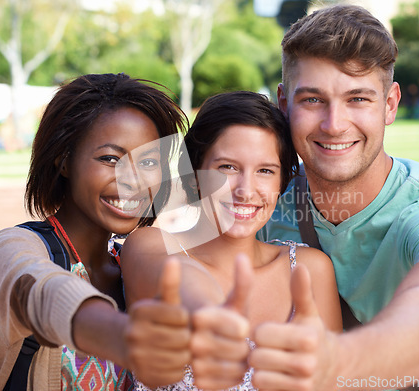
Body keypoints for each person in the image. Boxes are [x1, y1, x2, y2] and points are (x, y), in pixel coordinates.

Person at [255, 4, 419, 391]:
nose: (334, 124)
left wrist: (336, 365)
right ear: (284, 104)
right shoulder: (260, 199)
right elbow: (176, 240)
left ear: (389, 104)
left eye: (357, 99)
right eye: (312, 100)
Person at [0, 73, 192, 390]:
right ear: (64, 161)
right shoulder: (15, 246)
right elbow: (41, 291)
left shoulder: (132, 263)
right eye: (110, 158)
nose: (133, 180)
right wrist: (119, 334)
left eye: (148, 162)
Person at [120, 91, 343, 390]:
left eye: (265, 171)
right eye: (228, 167)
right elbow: (178, 280)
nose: (246, 191)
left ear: (281, 183)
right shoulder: (152, 245)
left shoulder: (310, 270)